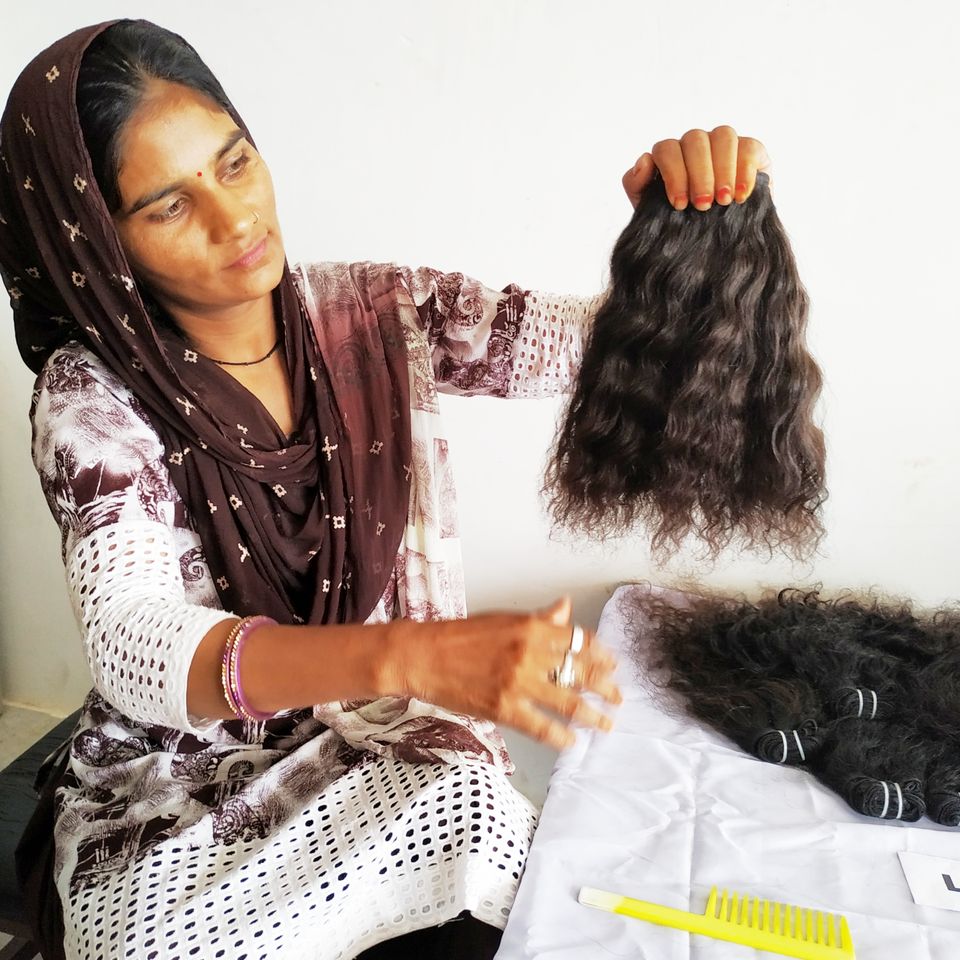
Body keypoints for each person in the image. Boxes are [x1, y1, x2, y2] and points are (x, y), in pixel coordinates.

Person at [0, 18, 772, 960]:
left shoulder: (375, 312)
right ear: (97, 243)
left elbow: (601, 350)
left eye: (235, 163)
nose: (234, 219)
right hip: (180, 792)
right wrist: (414, 657)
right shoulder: (93, 397)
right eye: (168, 206)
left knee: (489, 840)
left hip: (379, 741)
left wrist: (686, 229)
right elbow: (133, 642)